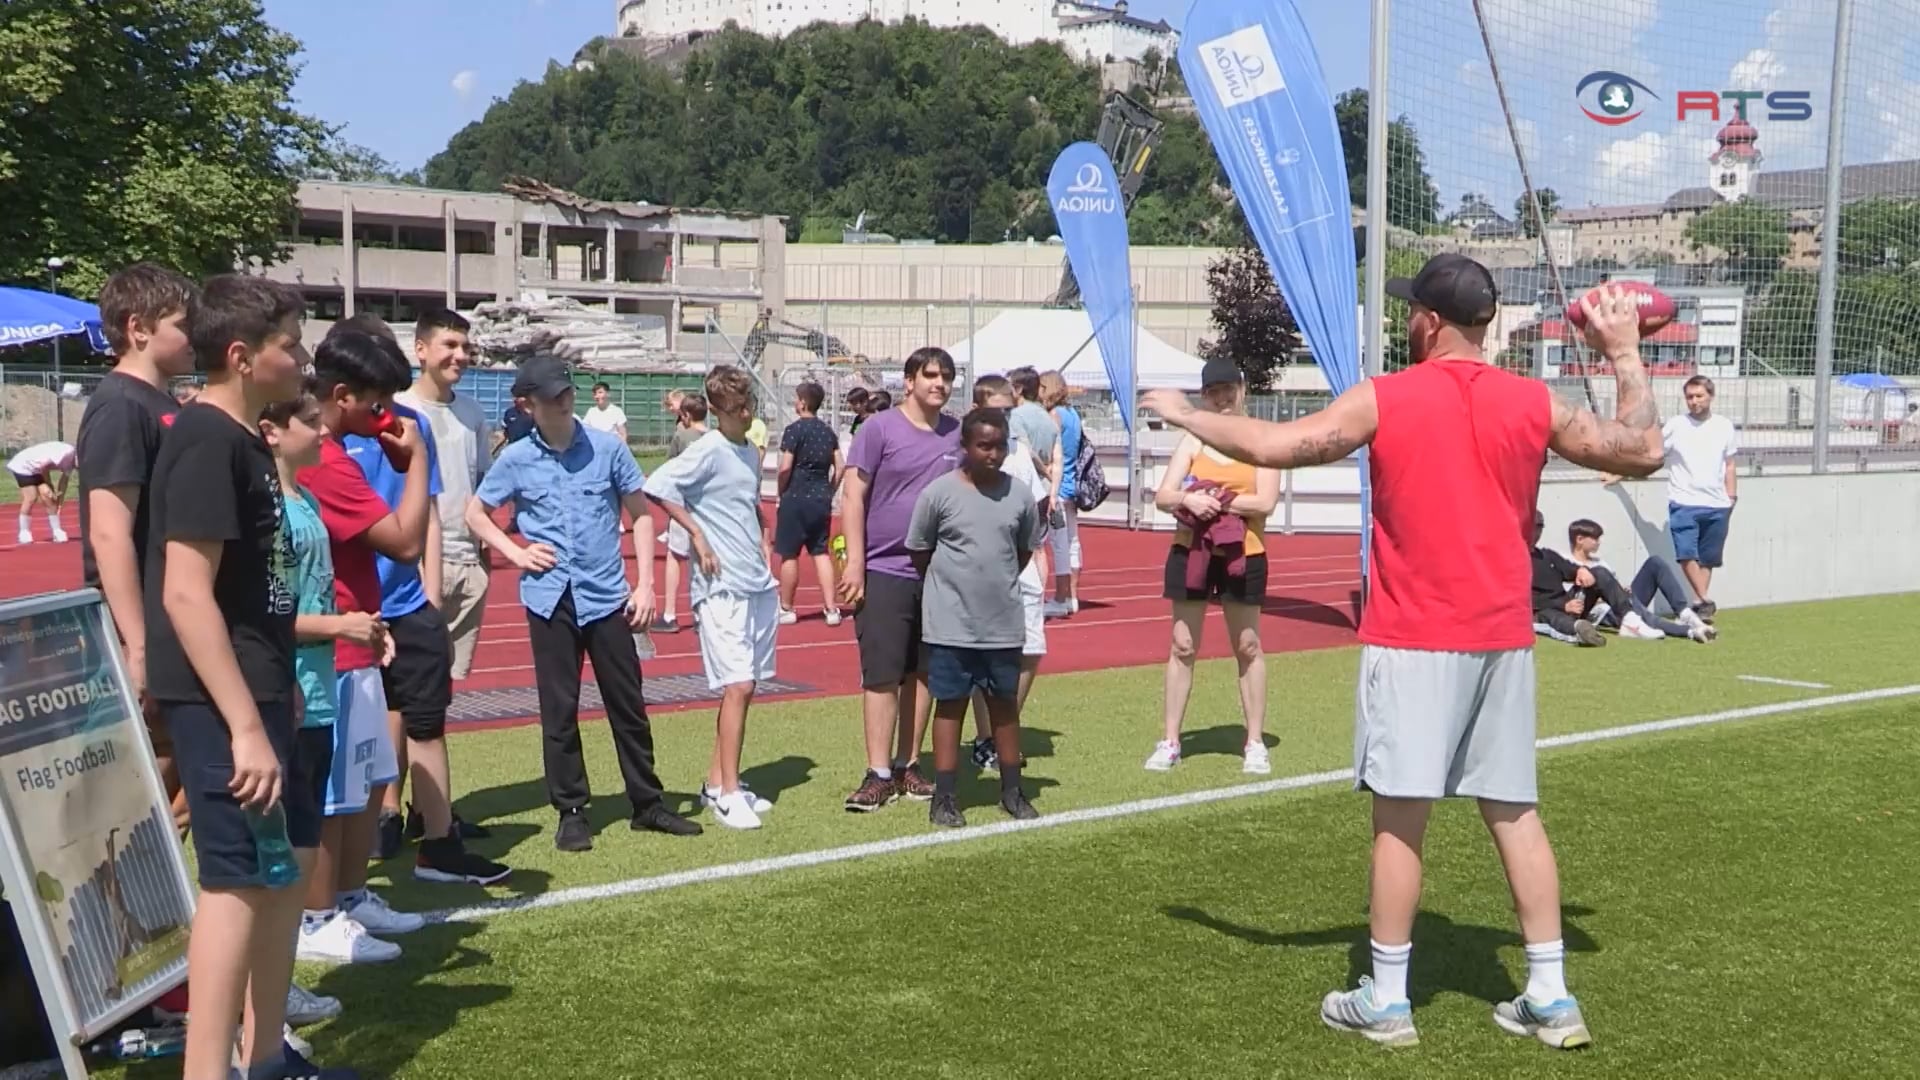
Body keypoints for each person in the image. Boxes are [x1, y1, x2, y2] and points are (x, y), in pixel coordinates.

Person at [1143, 256, 1670, 1051]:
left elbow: (1279, 444)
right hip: (1501, 636)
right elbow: (1642, 448)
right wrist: (1625, 351)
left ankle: (1388, 1001)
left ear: (1425, 320)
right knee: (1515, 812)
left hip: (1415, 634)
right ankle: (1552, 996)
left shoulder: (1387, 395)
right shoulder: (1533, 402)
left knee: (1399, 817)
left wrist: (1188, 415)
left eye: (1409, 313)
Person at [143, 273, 359, 1079]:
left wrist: (278, 688)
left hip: (266, 687)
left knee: (281, 875)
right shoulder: (204, 439)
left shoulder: (242, 440)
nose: (303, 360)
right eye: (289, 346)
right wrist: (240, 722)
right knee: (235, 883)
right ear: (241, 356)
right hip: (217, 702)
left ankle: (265, 1057)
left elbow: (251, 591)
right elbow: (186, 592)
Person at [466, 357, 702, 852]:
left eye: (567, 390)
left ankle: (647, 803)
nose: (565, 399)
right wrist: (514, 551)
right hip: (549, 599)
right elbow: (476, 513)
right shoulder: (515, 459)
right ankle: (572, 809)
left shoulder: (606, 448)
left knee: (628, 704)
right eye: (553, 395)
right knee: (559, 709)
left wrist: (645, 585)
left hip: (608, 595)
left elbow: (640, 516)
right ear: (526, 405)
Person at [317, 321, 476, 864]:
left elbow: (425, 519)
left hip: (404, 605)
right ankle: (379, 827)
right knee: (351, 745)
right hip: (346, 616)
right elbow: (402, 539)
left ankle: (434, 839)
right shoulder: (323, 447)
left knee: (420, 719)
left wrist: (429, 598)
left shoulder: (408, 427)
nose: (384, 408)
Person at [76, 263, 198, 831]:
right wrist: (139, 643)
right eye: (182, 323)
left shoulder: (158, 403)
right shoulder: (121, 405)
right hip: (144, 623)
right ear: (138, 328)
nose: (194, 336)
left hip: (173, 615)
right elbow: (108, 531)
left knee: (181, 776)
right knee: (137, 793)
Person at [263, 386, 366, 1026]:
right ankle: (259, 1010)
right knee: (274, 861)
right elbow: (267, 614)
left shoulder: (300, 497)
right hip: (291, 692)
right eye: (310, 422)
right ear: (273, 430)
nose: (323, 431)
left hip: (317, 695)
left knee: (296, 854)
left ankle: (275, 991)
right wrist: (341, 628)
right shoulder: (271, 507)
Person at [643, 365, 782, 830]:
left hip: (755, 581)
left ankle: (716, 781)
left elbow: (747, 504)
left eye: (750, 405)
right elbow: (658, 487)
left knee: (746, 685)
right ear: (719, 410)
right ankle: (728, 793)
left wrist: (762, 540)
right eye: (739, 407)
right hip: (720, 587)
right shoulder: (707, 449)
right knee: (737, 685)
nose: (747, 413)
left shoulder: (749, 452)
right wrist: (697, 536)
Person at [837, 347, 962, 812]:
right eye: (931, 376)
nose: (940, 384)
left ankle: (909, 765)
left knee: (923, 672)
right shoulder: (878, 429)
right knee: (882, 675)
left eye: (947, 377)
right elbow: (854, 496)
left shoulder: (958, 434)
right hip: (884, 570)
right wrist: (855, 562)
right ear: (909, 381)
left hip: (939, 575)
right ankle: (878, 772)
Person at [1144, 358, 1281, 776]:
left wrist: (1215, 500)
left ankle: (1255, 741)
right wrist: (1188, 499)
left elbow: (1266, 502)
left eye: (1228, 389)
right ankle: (1170, 740)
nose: (1221, 398)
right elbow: (1164, 495)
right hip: (1192, 549)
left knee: (1248, 646)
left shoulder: (1262, 438)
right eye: (1213, 392)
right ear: (1203, 396)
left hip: (1245, 551)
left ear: (1242, 388)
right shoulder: (1192, 440)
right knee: (1182, 646)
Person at [907, 407, 1041, 828]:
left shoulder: (1019, 495)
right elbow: (920, 551)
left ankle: (1012, 791)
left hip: (1002, 624)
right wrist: (953, 590)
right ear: (964, 446)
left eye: (1000, 445)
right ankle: (945, 797)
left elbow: (1021, 552)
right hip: (951, 626)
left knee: (1004, 709)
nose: (993, 453)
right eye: (984, 445)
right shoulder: (939, 494)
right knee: (950, 707)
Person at [395, 309, 493, 681]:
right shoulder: (400, 409)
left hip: (468, 566)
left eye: (465, 346)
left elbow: (481, 484)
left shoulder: (473, 413)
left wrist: (482, 563)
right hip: (416, 567)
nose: (461, 355)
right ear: (421, 350)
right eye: (449, 345)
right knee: (410, 687)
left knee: (448, 688)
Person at [966, 376, 1052, 773]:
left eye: (1007, 410)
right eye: (995, 410)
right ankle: (987, 738)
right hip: (982, 568)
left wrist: (1040, 555)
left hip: (1024, 565)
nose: (1003, 418)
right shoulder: (967, 455)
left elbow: (1037, 508)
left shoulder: (1018, 451)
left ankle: (1005, 725)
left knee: (1030, 652)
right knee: (985, 655)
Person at [1658, 376, 1737, 619]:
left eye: (1699, 396)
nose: (1694, 401)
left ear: (1710, 396)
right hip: (1684, 501)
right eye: (1690, 397)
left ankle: (1698, 605)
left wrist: (1731, 496)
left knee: (1708, 558)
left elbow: (1730, 464)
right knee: (1686, 554)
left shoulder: (1724, 425)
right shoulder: (1676, 425)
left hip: (1718, 503)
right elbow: (1654, 454)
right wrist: (1621, 471)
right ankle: (1705, 599)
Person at [1563, 518, 1714, 642]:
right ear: (1580, 539)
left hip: (1620, 602)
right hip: (1601, 610)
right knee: (1642, 613)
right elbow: (1569, 597)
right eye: (1595, 538)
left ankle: (1684, 613)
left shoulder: (1599, 562)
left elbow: (1611, 587)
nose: (1598, 542)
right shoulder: (1565, 563)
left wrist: (1621, 590)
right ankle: (1690, 631)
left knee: (1655, 563)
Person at [773, 381, 843, 626]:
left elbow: (785, 467)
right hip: (820, 498)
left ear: (802, 402)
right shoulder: (827, 431)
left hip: (796, 497)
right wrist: (830, 489)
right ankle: (831, 608)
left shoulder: (794, 431)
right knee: (820, 552)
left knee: (789, 553)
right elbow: (840, 465)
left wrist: (782, 491)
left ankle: (787, 607)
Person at [654, 393, 710, 634]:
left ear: (685, 416)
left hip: (683, 505)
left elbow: (669, 467)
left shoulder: (681, 434)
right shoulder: (713, 438)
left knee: (675, 557)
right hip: (706, 506)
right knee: (703, 559)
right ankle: (702, 614)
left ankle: (669, 613)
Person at [1005, 367, 1060, 589]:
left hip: (1025, 486)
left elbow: (1025, 450)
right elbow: (1058, 456)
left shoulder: (1016, 416)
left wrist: (1043, 470)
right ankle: (1040, 598)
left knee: (1017, 545)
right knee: (1039, 547)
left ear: (1018, 389)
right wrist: (1053, 487)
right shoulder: (1048, 418)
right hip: (1044, 491)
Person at [1039, 370, 1085, 617]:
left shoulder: (1054, 415)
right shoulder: (1073, 414)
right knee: (1071, 542)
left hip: (1057, 484)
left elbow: (1050, 448)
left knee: (1058, 543)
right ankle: (1072, 597)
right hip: (1071, 484)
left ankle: (1061, 597)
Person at [8, 441, 75, 544]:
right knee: (31, 497)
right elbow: (44, 466)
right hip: (24, 465)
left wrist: (59, 502)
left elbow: (63, 483)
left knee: (49, 499)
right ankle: (24, 532)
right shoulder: (66, 453)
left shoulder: (72, 463)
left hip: (36, 469)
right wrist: (48, 485)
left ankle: (57, 531)